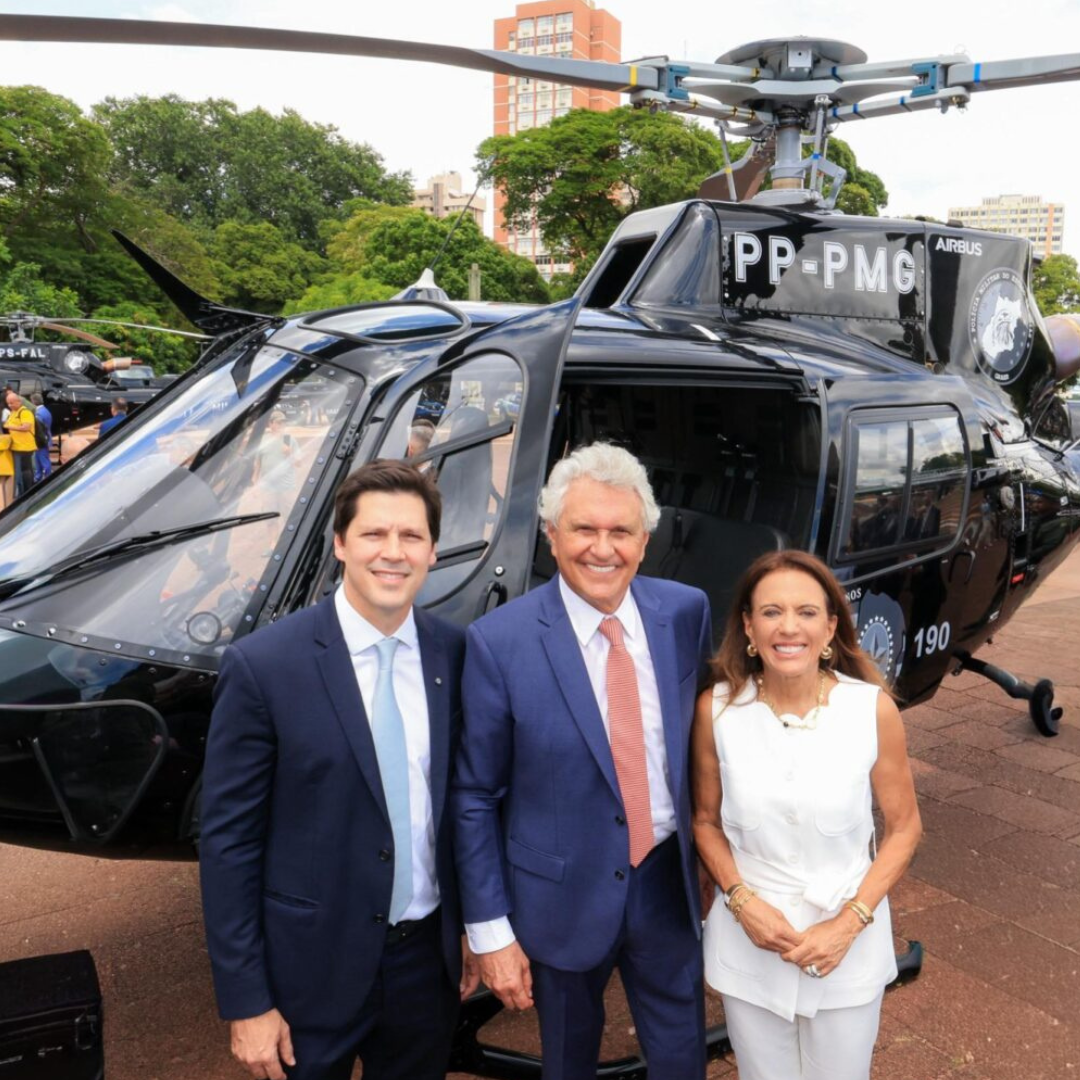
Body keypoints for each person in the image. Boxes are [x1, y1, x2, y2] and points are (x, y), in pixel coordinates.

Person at [200, 460, 479, 1080]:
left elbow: (462, 805)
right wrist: (247, 1001)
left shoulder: (456, 655)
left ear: (433, 551)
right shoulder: (263, 666)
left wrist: (469, 929)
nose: (393, 553)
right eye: (374, 534)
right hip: (307, 971)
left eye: (411, 537)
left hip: (422, 968)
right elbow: (228, 845)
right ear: (340, 544)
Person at [454, 442, 713, 1080]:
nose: (603, 548)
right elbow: (473, 795)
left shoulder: (685, 612)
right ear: (550, 534)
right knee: (568, 1061)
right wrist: (490, 930)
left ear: (645, 540)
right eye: (584, 529)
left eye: (621, 530)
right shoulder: (499, 642)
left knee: (682, 1058)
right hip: (558, 894)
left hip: (665, 884)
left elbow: (704, 743)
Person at [691, 550, 921, 1080]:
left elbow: (904, 827)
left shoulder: (870, 709)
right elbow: (705, 820)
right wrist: (741, 900)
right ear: (748, 625)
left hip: (847, 942)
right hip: (751, 941)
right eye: (771, 612)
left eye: (807, 612)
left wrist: (850, 922)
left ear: (831, 627)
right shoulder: (718, 711)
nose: (788, 627)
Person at [2, 389, 36, 497]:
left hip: (25, 446)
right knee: (20, 470)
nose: (10, 405)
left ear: (19, 402)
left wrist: (10, 426)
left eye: (12, 403)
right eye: (8, 403)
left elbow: (26, 427)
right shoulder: (13, 413)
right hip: (16, 446)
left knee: (25, 470)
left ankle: (26, 491)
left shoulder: (25, 412)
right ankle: (22, 491)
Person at [30, 392, 52, 483]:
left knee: (43, 461)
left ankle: (47, 479)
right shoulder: (46, 410)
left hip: (41, 440)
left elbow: (39, 429)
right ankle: (38, 478)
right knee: (39, 460)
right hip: (45, 439)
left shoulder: (38, 413)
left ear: (33, 401)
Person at [0, 431, 13, 510]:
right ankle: (7, 508)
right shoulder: (8, 438)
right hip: (8, 467)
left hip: (2, 469)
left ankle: (2, 509)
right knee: (6, 489)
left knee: (1, 488)